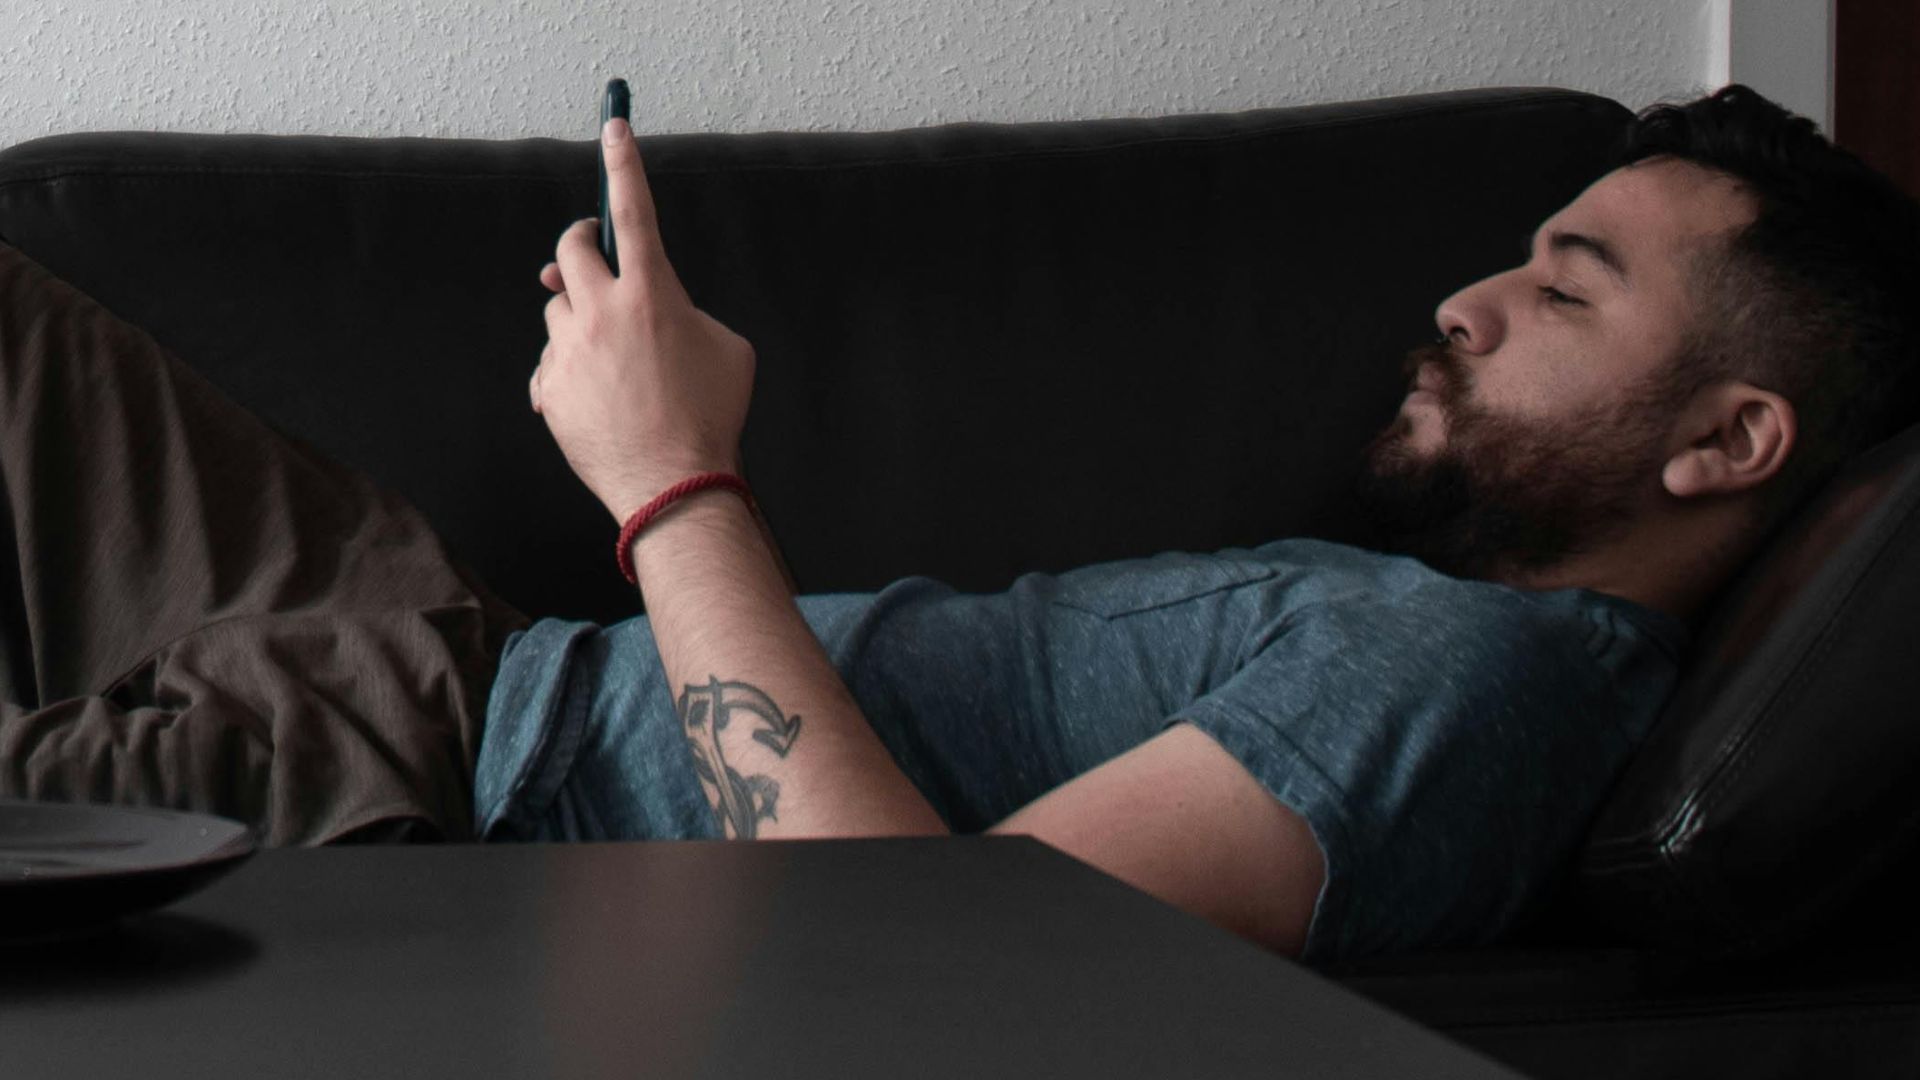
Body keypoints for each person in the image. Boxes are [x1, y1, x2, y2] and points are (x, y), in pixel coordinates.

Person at [0, 85, 1913, 966]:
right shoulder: (1448, 628)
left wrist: (667, 475)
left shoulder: (1472, 684)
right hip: (458, 649)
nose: (1468, 304)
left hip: (417, 778)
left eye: (1565, 290)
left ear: (1730, 441)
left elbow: (910, 967)